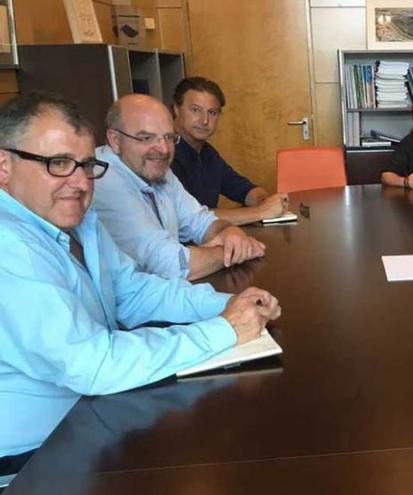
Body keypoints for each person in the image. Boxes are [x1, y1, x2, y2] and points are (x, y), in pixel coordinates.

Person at [0, 92, 281, 468]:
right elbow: (94, 364)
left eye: (85, 165)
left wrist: (227, 304)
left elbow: (132, 291)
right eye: (58, 163)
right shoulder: (10, 247)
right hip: (37, 456)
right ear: (4, 166)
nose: (80, 182)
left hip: (93, 412)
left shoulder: (78, 220)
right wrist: (223, 330)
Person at [92, 94, 266, 281]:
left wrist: (230, 232)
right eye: (146, 138)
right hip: (130, 306)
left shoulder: (155, 167)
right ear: (115, 140)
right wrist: (230, 252)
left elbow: (200, 221)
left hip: (167, 296)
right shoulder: (102, 178)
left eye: (168, 137)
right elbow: (170, 265)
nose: (164, 149)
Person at [170, 77, 290, 225]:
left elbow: (242, 189)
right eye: (196, 110)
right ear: (176, 109)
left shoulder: (207, 153)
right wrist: (261, 211)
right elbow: (190, 217)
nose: (205, 120)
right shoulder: (164, 155)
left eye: (212, 113)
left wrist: (265, 201)